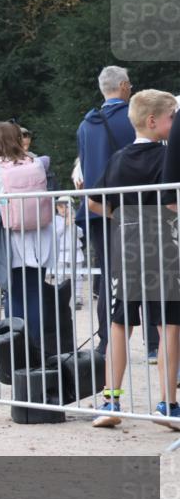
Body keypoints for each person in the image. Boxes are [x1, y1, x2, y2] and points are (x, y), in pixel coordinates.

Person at [86, 89, 178, 428]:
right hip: (163, 251)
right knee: (168, 325)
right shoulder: (168, 159)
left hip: (125, 249)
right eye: (173, 117)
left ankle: (112, 401)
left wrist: (122, 216)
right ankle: (167, 405)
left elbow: (94, 201)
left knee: (119, 325)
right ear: (154, 121)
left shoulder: (119, 158)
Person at [0, 121, 55, 347]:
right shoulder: (36, 163)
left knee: (13, 292)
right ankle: (36, 344)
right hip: (39, 235)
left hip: (10, 237)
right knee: (35, 291)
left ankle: (16, 347)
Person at [77, 65, 136, 355]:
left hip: (96, 208)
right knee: (146, 273)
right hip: (131, 207)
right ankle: (153, 342)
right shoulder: (132, 118)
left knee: (109, 272)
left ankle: (106, 339)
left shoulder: (86, 124)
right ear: (123, 86)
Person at [53, 196, 85, 310]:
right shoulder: (56, 219)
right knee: (60, 274)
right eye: (60, 207)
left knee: (77, 275)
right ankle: (60, 295)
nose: (63, 209)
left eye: (66, 207)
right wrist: (65, 224)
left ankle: (77, 297)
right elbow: (55, 234)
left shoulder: (74, 219)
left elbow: (81, 234)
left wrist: (73, 223)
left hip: (75, 251)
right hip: (61, 252)